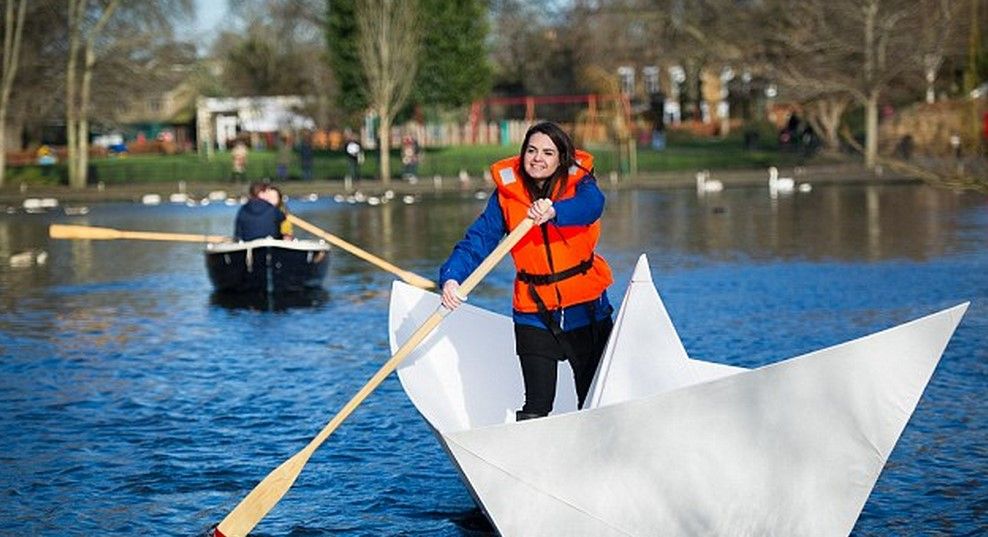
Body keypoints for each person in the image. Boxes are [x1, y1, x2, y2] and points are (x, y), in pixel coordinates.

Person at [439, 121, 614, 422]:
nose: (537, 158)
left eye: (548, 152)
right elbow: (478, 241)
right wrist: (452, 277)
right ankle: (532, 459)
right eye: (531, 150)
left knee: (593, 401)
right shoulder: (507, 197)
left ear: (562, 158)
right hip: (533, 312)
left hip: (585, 310)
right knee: (535, 407)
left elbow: (592, 206)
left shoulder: (581, 185)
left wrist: (554, 211)